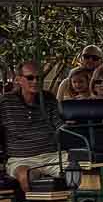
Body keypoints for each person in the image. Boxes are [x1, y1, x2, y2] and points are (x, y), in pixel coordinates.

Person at [0, 62, 66, 193]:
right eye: (30, 78)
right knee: (26, 175)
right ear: (19, 80)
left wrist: (70, 128)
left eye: (39, 78)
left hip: (52, 155)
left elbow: (60, 126)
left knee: (79, 169)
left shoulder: (48, 99)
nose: (35, 81)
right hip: (22, 159)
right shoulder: (5, 102)